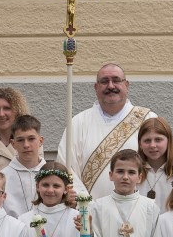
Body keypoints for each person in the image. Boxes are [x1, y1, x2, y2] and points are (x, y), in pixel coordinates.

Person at [56, 63, 156, 199]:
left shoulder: (147, 120)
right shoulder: (78, 123)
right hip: (89, 209)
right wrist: (85, 203)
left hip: (138, 207)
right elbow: (66, 166)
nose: (110, 86)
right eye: (104, 81)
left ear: (126, 85)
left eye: (116, 80)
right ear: (96, 87)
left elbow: (159, 166)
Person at [1, 115, 47, 219]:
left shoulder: (52, 174)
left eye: (31, 139)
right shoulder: (3, 176)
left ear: (40, 141)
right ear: (13, 143)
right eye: (20, 140)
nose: (26, 145)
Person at [136, 117, 173, 212]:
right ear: (140, 144)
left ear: (168, 141)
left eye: (158, 140)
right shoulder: (133, 171)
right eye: (147, 140)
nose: (152, 145)